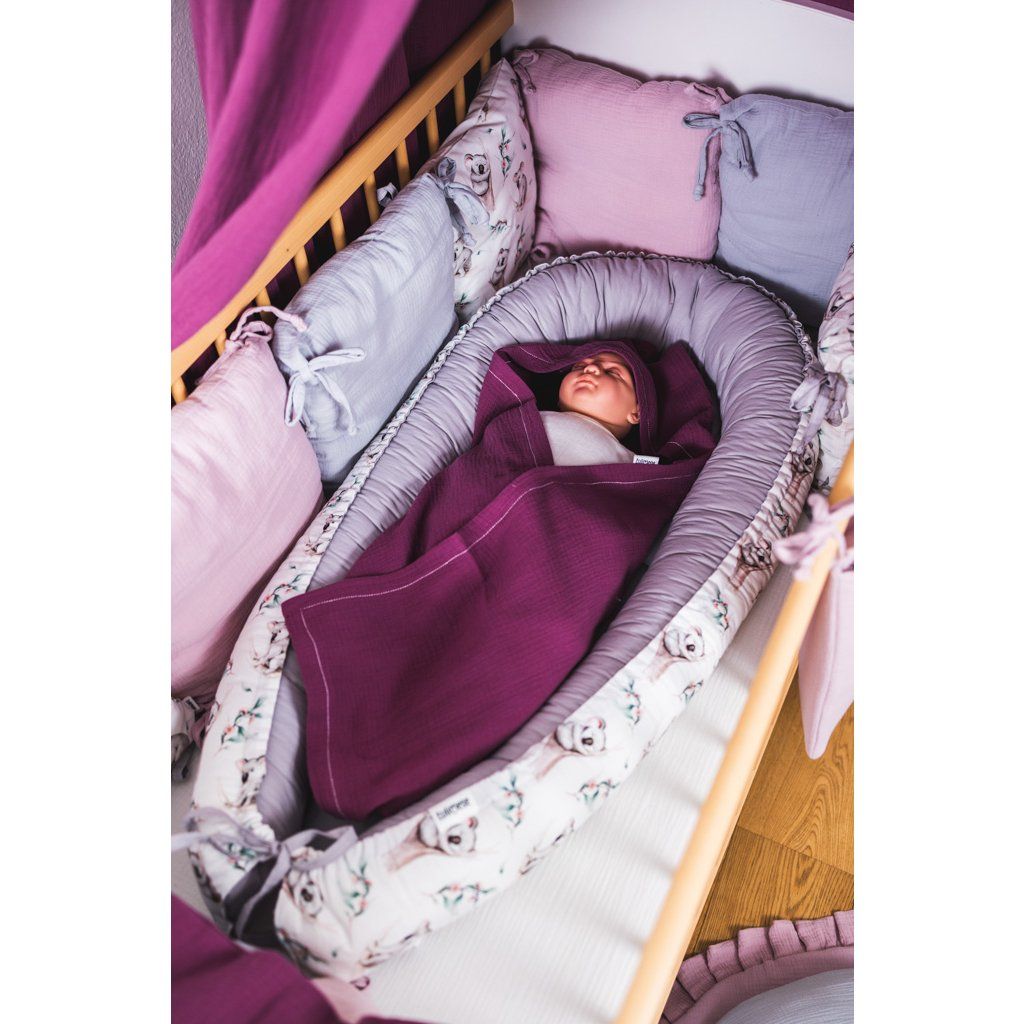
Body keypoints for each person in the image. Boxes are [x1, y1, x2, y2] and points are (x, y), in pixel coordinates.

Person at [540, 351, 641, 466]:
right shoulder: (529, 415)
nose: (590, 368)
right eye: (579, 366)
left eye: (611, 372)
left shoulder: (632, 466)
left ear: (637, 412)